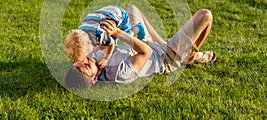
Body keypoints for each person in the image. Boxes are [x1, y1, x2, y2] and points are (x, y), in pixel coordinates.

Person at [65, 5, 216, 89]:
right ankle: (190, 56)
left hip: (148, 43)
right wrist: (118, 32)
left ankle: (182, 50)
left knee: (132, 9)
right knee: (205, 16)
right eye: (86, 66)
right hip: (165, 57)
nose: (88, 60)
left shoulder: (91, 61)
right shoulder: (119, 73)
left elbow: (91, 43)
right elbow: (146, 52)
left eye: (81, 62)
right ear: (93, 79)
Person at [64, 5, 146, 70]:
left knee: (127, 38)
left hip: (120, 15)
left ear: (89, 43)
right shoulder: (81, 30)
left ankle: (138, 28)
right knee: (104, 44)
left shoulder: (99, 36)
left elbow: (111, 44)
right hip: (104, 12)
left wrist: (106, 58)